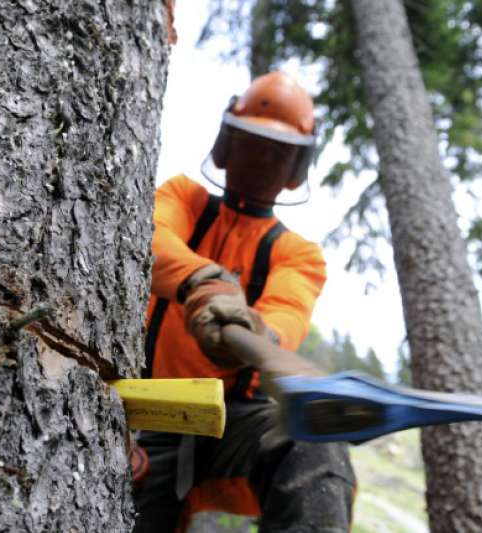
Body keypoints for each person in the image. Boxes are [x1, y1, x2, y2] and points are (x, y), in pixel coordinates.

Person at [133, 71, 356, 532]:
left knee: (312, 444)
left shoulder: (297, 254)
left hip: (231, 423)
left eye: (279, 153)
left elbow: (286, 317)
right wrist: (202, 282)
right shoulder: (184, 197)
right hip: (140, 409)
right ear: (225, 146)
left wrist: (253, 332)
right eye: (252, 143)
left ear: (295, 171)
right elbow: (145, 236)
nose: (262, 159)